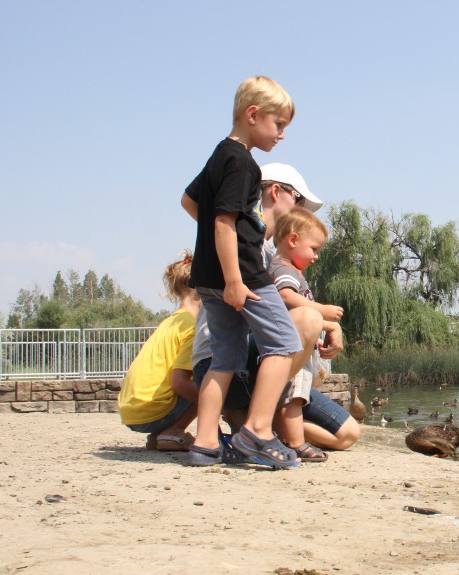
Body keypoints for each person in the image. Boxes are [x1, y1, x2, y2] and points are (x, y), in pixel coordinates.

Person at [190, 162, 358, 462]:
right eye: (298, 200)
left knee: (347, 434)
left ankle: (256, 422)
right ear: (275, 191)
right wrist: (324, 320)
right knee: (306, 320)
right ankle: (257, 427)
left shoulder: (275, 253)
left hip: (262, 364)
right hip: (232, 366)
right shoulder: (244, 248)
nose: (302, 211)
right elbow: (283, 307)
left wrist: (332, 324)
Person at [180, 75, 306, 468]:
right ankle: (257, 431)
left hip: (208, 277)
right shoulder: (244, 164)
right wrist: (234, 277)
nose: (281, 135)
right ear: (253, 115)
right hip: (245, 276)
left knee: (225, 359)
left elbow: (189, 201)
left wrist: (217, 253)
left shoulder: (218, 155)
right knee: (284, 343)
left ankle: (204, 443)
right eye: (278, 125)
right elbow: (223, 223)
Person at [268, 206, 344, 461]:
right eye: (314, 249)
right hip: (292, 349)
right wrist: (321, 311)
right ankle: (296, 442)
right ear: (292, 240)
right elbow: (285, 296)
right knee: (294, 396)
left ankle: (287, 436)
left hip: (297, 348)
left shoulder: (290, 269)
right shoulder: (284, 269)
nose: (316, 257)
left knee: (294, 396)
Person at [117, 251, 199, 451]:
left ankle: (160, 435)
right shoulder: (191, 327)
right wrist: (217, 405)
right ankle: (174, 432)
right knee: (211, 384)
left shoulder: (171, 322)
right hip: (152, 411)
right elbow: (179, 383)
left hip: (131, 411)